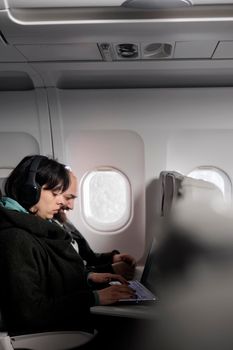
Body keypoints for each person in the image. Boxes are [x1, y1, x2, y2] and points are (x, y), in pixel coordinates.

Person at [0, 155, 135, 336]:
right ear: (29, 191)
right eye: (55, 194)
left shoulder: (35, 227)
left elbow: (48, 277)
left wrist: (87, 277)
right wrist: (95, 298)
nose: (63, 202)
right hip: (45, 335)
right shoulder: (15, 238)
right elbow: (29, 313)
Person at [54, 170, 136, 280]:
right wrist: (110, 270)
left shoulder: (63, 221)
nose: (71, 206)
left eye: (73, 198)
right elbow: (68, 275)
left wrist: (112, 258)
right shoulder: (49, 229)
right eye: (68, 197)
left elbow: (87, 257)